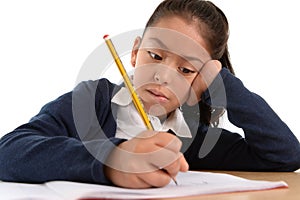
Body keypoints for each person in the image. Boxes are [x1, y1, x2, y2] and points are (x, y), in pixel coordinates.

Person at [0, 0, 300, 189]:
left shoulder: (192, 138)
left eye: (186, 70)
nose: (164, 75)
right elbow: (9, 151)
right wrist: (112, 159)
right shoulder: (94, 101)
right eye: (155, 56)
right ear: (134, 52)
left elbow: (284, 155)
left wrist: (223, 83)